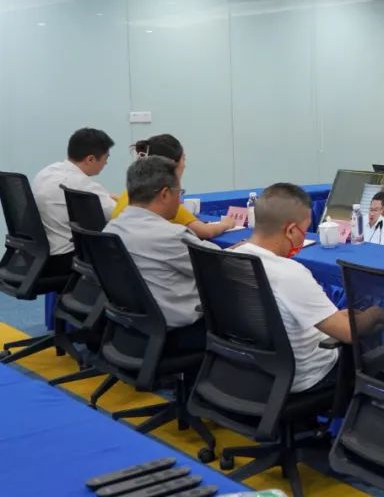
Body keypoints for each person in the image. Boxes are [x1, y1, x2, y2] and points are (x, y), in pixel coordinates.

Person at [231, 183, 384, 392]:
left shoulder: (230, 256)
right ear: (290, 230)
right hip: (305, 375)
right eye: (304, 231)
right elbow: (348, 332)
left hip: (246, 370)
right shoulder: (290, 273)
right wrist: (377, 314)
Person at [104, 156, 220, 352]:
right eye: (179, 193)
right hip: (179, 334)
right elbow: (224, 267)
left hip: (129, 332)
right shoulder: (171, 236)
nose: (180, 200)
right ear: (165, 194)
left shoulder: (111, 229)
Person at [112, 134, 235, 239]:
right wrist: (226, 224)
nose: (184, 165)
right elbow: (205, 232)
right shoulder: (166, 204)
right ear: (172, 165)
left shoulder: (127, 196)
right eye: (183, 159)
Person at [31, 127, 117, 259]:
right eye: (106, 158)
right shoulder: (83, 185)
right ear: (90, 159)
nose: (106, 163)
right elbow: (118, 214)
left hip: (40, 253)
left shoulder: (46, 172)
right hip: (68, 257)